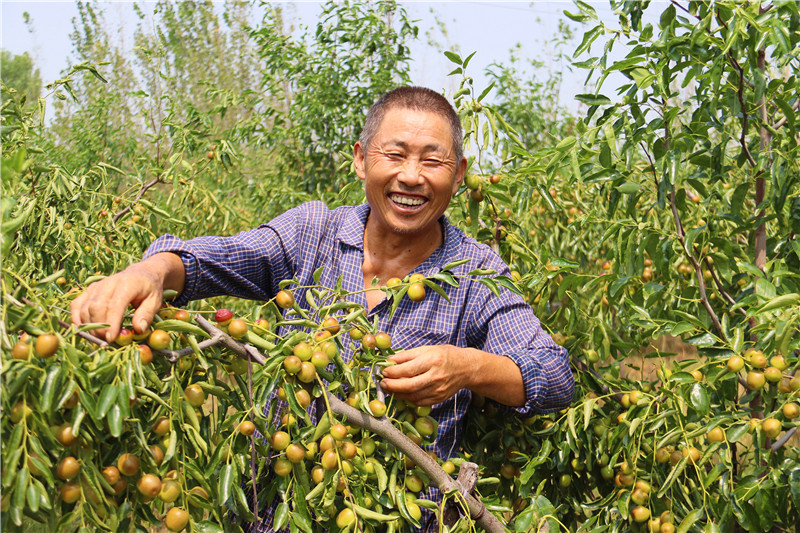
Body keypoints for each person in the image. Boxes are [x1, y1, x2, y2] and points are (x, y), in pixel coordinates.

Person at [71, 86, 574, 531]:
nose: (411, 176)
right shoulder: (312, 233)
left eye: (433, 161)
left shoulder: (474, 272)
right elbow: (220, 258)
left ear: (459, 174)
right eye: (394, 154)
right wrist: (153, 270)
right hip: (270, 515)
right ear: (360, 160)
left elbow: (553, 373)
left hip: (394, 516)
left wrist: (469, 367)